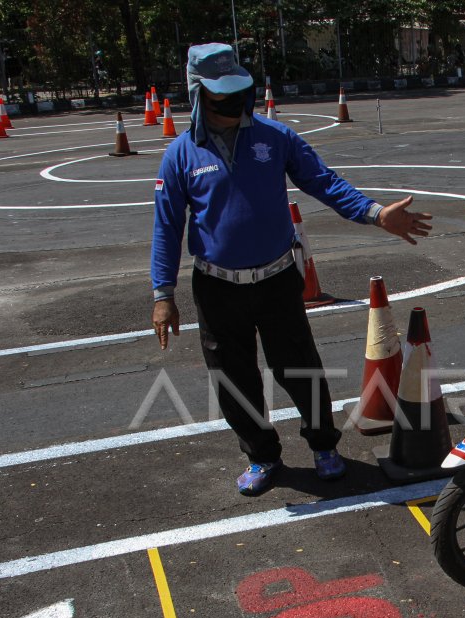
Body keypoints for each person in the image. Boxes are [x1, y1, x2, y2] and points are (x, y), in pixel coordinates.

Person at [150, 43, 432, 496]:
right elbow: (166, 228)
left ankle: (324, 447)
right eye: (222, 96)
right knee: (233, 378)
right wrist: (163, 294)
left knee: (300, 367)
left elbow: (325, 182)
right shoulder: (181, 156)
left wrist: (377, 213)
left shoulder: (274, 138)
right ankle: (262, 455)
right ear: (198, 94)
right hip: (217, 287)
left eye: (239, 93)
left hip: (278, 279)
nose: (234, 104)